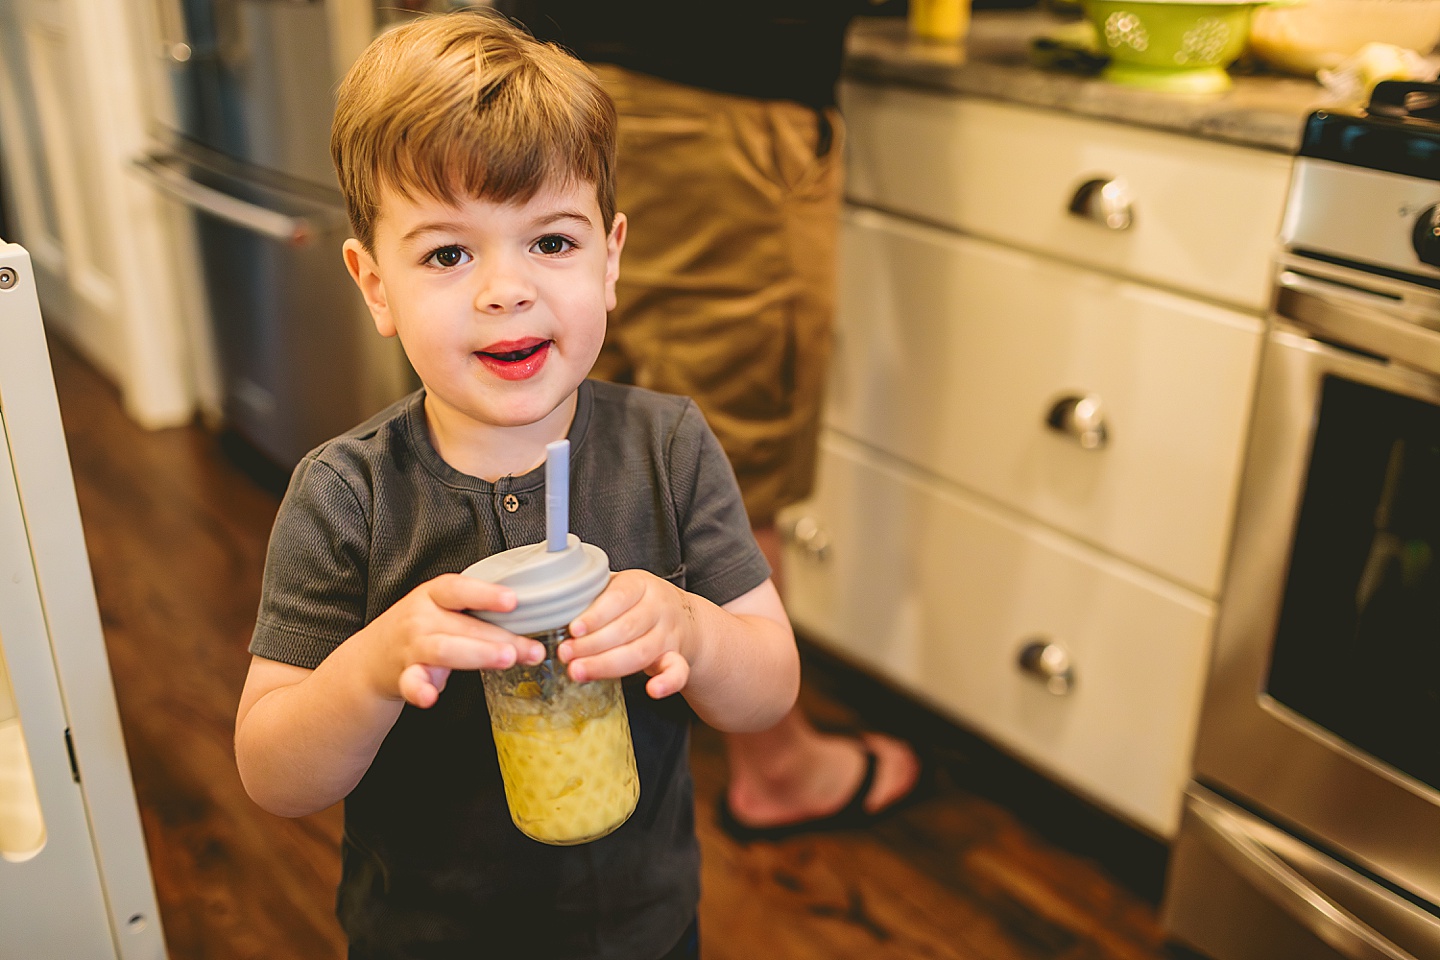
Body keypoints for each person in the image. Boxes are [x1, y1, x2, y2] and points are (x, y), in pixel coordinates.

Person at [232, 12, 800, 958]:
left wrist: (692, 628)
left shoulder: (670, 449)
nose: (507, 290)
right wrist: (374, 667)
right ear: (375, 285)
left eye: (551, 242)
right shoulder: (344, 498)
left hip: (646, 932)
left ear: (610, 258)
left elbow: (769, 688)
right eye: (449, 254)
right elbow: (272, 773)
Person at [508, 0, 923, 841]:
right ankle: (779, 768)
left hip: (556, 68)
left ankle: (576, 708)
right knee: (732, 459)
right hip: (715, 79)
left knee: (569, 433)